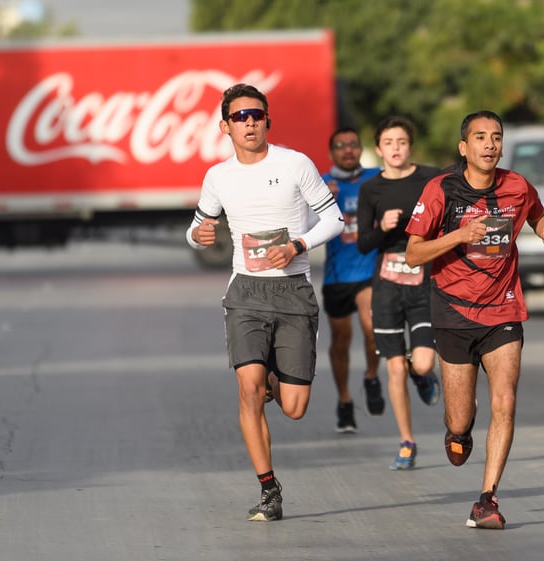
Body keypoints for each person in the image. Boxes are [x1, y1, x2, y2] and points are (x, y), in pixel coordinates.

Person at [186, 83, 343, 522]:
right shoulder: (218, 176)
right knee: (248, 388)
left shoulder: (295, 164)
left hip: (293, 290)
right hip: (246, 295)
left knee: (294, 408)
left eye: (256, 115)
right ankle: (268, 489)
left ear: (267, 120)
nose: (249, 122)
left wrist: (297, 245)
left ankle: (274, 374)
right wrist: (197, 236)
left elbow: (334, 218)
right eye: (239, 117)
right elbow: (196, 227)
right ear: (225, 126)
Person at [405, 110, 544, 529]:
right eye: (480, 137)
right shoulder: (441, 190)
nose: (489, 144)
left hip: (504, 309)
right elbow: (413, 253)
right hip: (453, 312)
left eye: (496, 137)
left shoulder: (517, 186)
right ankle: (460, 430)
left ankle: (487, 498)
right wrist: (459, 235)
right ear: (464, 147)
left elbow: (538, 214)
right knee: (458, 419)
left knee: (505, 400)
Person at [356, 115, 442, 470]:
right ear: (378, 150)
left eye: (401, 142)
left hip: (424, 283)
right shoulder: (370, 189)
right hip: (387, 286)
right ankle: (407, 442)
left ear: (410, 146)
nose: (395, 148)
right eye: (388, 143)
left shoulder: (431, 179)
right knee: (393, 369)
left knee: (421, 361)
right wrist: (382, 227)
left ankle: (421, 375)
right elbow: (363, 244)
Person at [321, 127, 384, 433]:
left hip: (368, 272)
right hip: (336, 276)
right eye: (340, 146)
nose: (348, 150)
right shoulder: (321, 184)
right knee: (341, 341)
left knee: (372, 327)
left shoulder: (377, 178)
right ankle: (344, 400)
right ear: (331, 152)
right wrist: (319, 202)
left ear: (361, 149)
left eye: (353, 145)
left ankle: (372, 375)